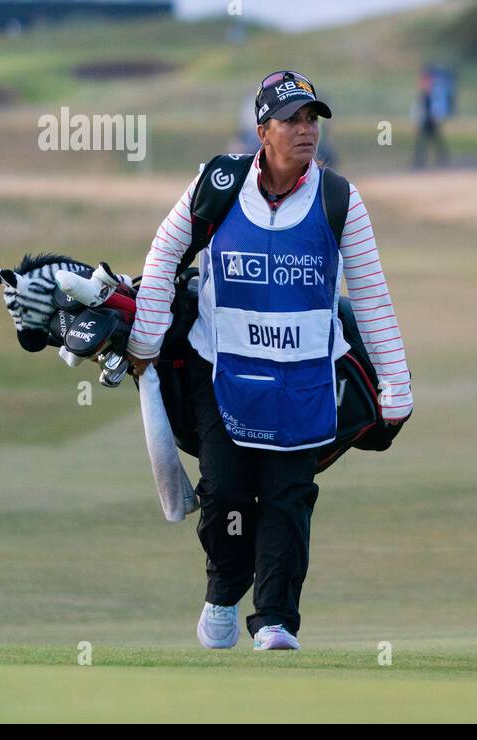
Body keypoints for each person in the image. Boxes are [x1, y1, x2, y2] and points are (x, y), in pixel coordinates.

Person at [126, 70, 413, 651]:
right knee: (226, 491)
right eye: (292, 120)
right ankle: (223, 592)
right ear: (263, 131)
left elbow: (371, 293)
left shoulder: (338, 198)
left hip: (307, 380)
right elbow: (163, 255)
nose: (306, 130)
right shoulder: (219, 183)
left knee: (288, 496)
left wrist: (395, 384)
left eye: (312, 119)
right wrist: (147, 339)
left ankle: (277, 620)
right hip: (222, 371)